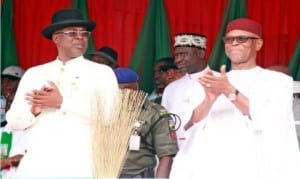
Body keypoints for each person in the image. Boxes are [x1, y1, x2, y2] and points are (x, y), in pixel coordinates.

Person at [169, 18, 300, 179]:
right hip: (212, 167)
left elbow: (271, 120)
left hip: (258, 167)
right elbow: (188, 124)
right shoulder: (212, 81)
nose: (234, 43)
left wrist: (231, 92)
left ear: (258, 44)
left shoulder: (277, 81)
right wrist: (208, 100)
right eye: (229, 39)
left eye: (242, 39)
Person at [5, 9, 118, 178]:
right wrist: (34, 111)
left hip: (82, 165)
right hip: (37, 164)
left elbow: (111, 117)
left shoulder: (102, 73)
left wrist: (62, 103)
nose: (80, 38)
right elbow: (14, 122)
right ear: (56, 38)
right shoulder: (35, 74)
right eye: (72, 33)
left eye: (84, 34)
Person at [114, 67, 179, 178]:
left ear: (130, 89)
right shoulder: (101, 111)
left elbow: (166, 155)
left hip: (136, 175)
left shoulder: (154, 113)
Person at [161, 33, 211, 149]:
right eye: (176, 55)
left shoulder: (220, 82)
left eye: (183, 54)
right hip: (178, 153)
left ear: (201, 53)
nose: (178, 60)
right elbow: (165, 125)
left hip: (210, 152)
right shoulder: (172, 88)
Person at [1, 66, 27, 178]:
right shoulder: (5, 127)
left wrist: (6, 161)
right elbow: (3, 152)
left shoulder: (34, 124)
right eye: (3, 81)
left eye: (11, 80)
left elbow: (38, 156)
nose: (5, 84)